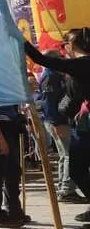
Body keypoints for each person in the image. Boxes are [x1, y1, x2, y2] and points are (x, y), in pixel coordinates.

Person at [23, 31, 90, 229]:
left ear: (73, 45)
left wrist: (22, 40)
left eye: (64, 45)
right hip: (81, 121)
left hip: (85, 125)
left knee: (76, 166)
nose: (63, 49)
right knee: (78, 165)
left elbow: (40, 59)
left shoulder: (81, 64)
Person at [35, 53, 83, 203]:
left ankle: (64, 187)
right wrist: (56, 123)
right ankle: (67, 189)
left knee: (64, 155)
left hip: (60, 121)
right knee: (68, 155)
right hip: (58, 121)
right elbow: (48, 102)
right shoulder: (51, 77)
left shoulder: (56, 75)